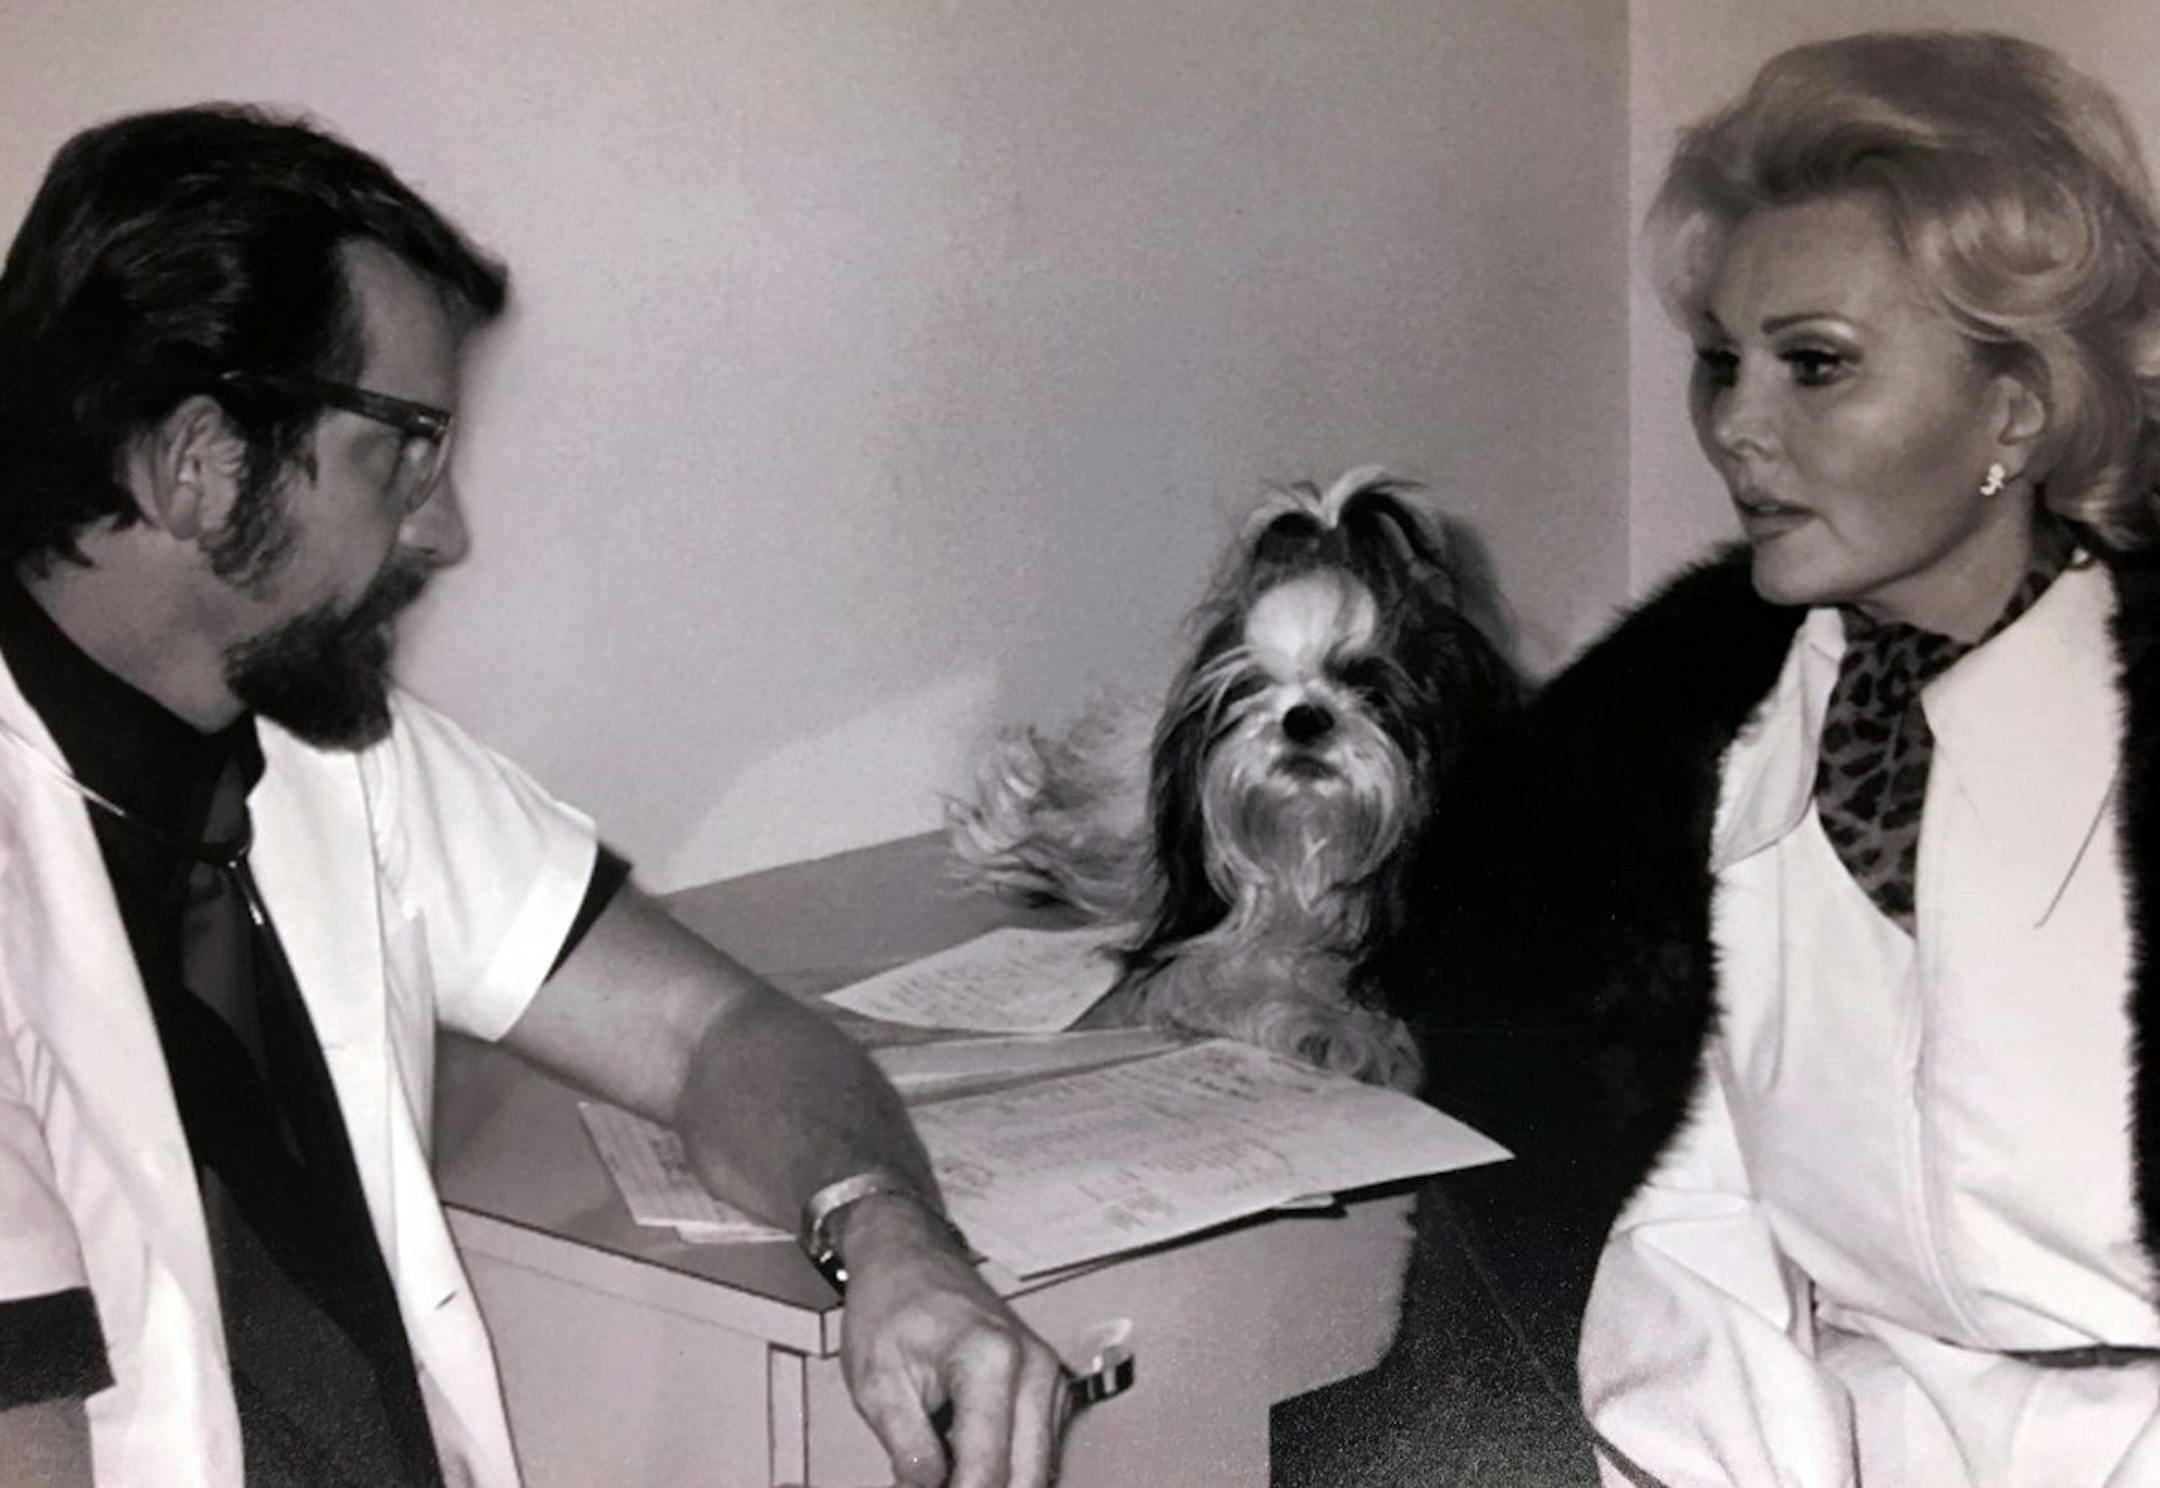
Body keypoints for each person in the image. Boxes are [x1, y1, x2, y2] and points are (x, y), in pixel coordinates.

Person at [0, 105, 1063, 1488]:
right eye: (405, 450)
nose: (446, 530)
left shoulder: (341, 755)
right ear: (201, 463)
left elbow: (717, 1036)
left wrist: (889, 1238)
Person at [1289, 28, 2160, 1488]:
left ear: (2013, 407)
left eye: (1816, 367)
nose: (1738, 432)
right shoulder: (1736, 741)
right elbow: (1704, 1234)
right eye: (1719, 366)